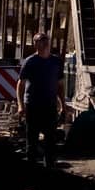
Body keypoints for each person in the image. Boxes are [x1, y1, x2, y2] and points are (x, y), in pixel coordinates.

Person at [16, 32, 65, 169]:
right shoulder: (30, 62)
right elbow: (20, 84)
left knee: (50, 140)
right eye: (40, 42)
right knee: (32, 140)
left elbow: (60, 85)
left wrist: (63, 106)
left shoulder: (56, 62)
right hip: (32, 105)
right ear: (35, 45)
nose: (44, 44)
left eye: (46, 41)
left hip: (50, 106)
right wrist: (20, 105)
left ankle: (49, 170)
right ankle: (31, 170)